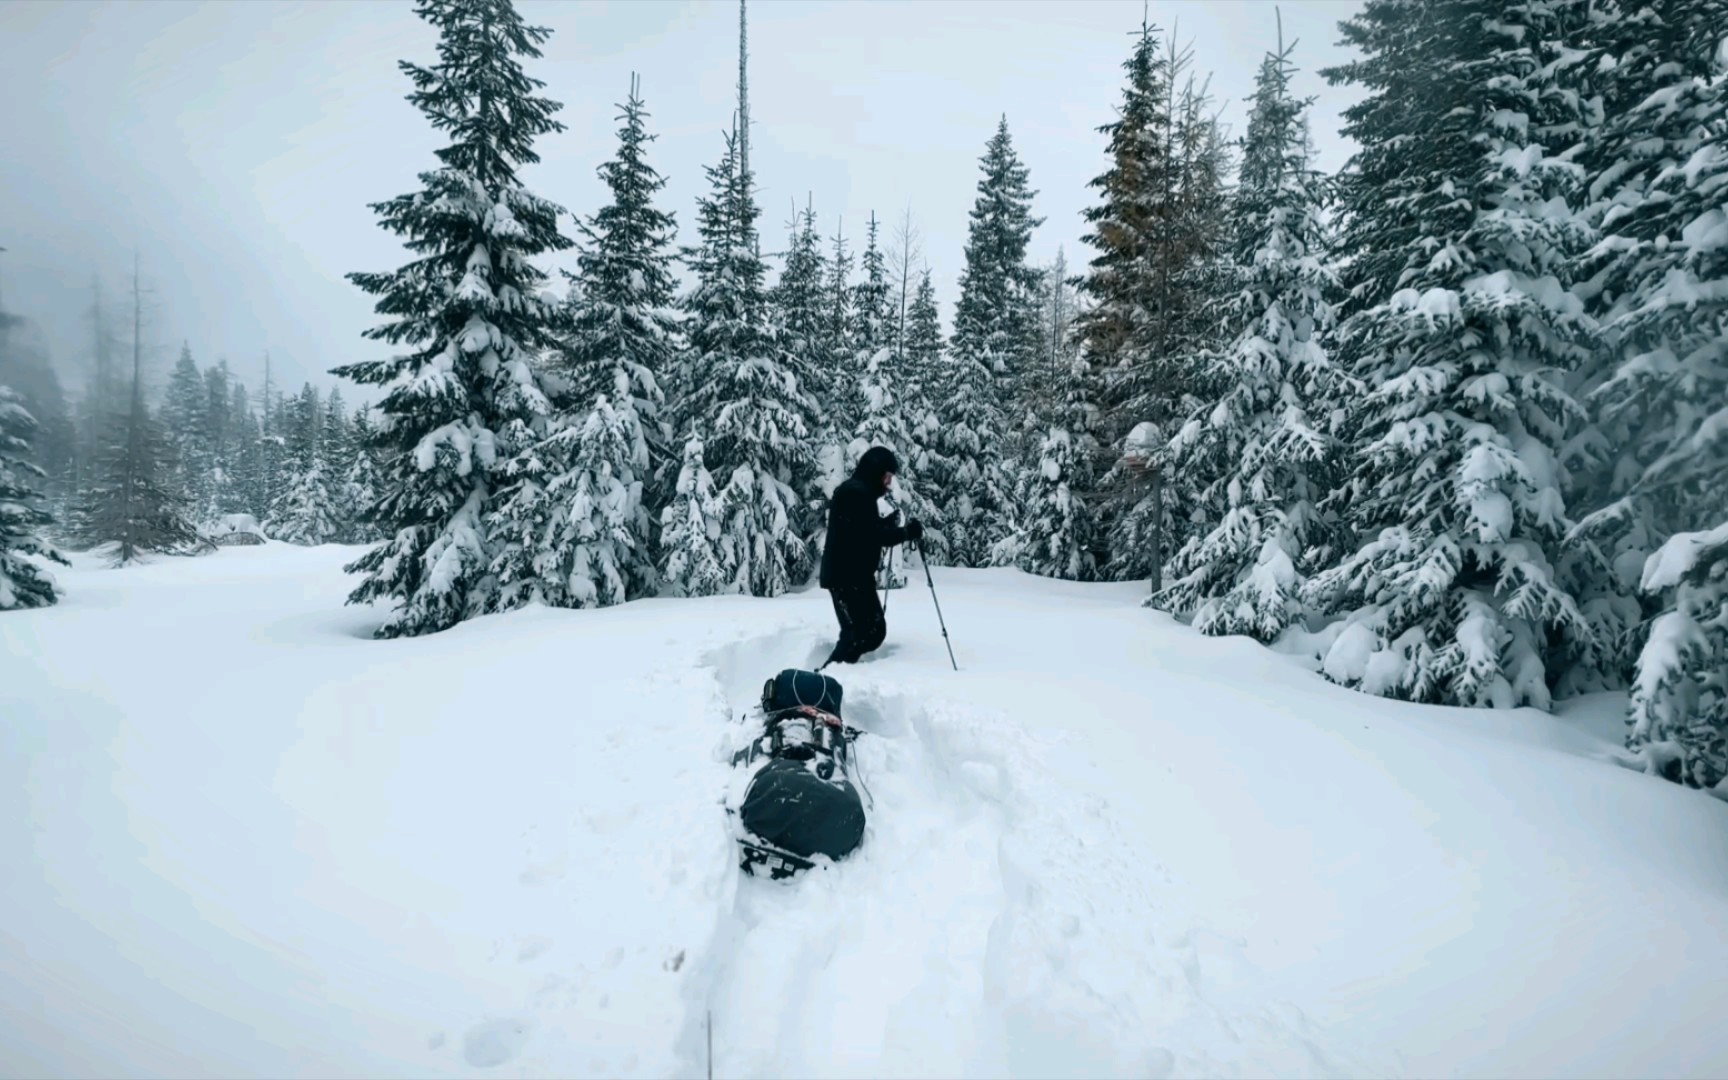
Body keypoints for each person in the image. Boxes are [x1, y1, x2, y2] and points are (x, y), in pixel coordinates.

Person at [818, 445, 923, 668]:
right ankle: (827, 678)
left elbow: (860, 531)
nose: (888, 483)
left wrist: (886, 524)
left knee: (868, 632)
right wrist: (905, 533)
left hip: (851, 575)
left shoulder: (856, 491)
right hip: (847, 577)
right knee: (862, 632)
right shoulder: (856, 493)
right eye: (887, 477)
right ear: (876, 471)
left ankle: (836, 674)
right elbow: (870, 536)